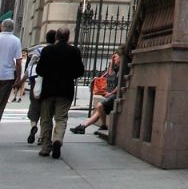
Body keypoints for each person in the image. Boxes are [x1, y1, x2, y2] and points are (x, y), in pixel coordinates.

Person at [35, 27, 84, 158]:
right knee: (61, 118)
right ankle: (57, 139)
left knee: (46, 119)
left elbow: (39, 70)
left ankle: (46, 147)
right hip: (65, 90)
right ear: (68, 37)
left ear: (56, 37)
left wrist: (49, 74)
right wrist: (69, 75)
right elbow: (80, 71)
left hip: (48, 90)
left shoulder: (47, 50)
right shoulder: (74, 51)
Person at [71, 52, 122, 137]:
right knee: (99, 111)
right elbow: (110, 73)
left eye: (115, 57)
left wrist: (110, 93)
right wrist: (111, 62)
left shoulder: (123, 69)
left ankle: (102, 125)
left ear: (121, 57)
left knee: (100, 106)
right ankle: (83, 127)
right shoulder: (117, 68)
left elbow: (120, 84)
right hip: (112, 94)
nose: (114, 59)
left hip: (115, 95)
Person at [25, 29, 57, 144]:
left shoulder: (39, 50)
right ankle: (42, 136)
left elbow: (30, 65)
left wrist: (24, 78)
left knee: (34, 103)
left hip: (36, 80)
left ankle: (33, 125)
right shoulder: (55, 51)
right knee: (46, 108)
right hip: (50, 82)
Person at [0, 18, 23, 120]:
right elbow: (18, 61)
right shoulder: (16, 40)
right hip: (7, 75)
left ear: (2, 26)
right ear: (13, 28)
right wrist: (18, 77)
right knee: (2, 101)